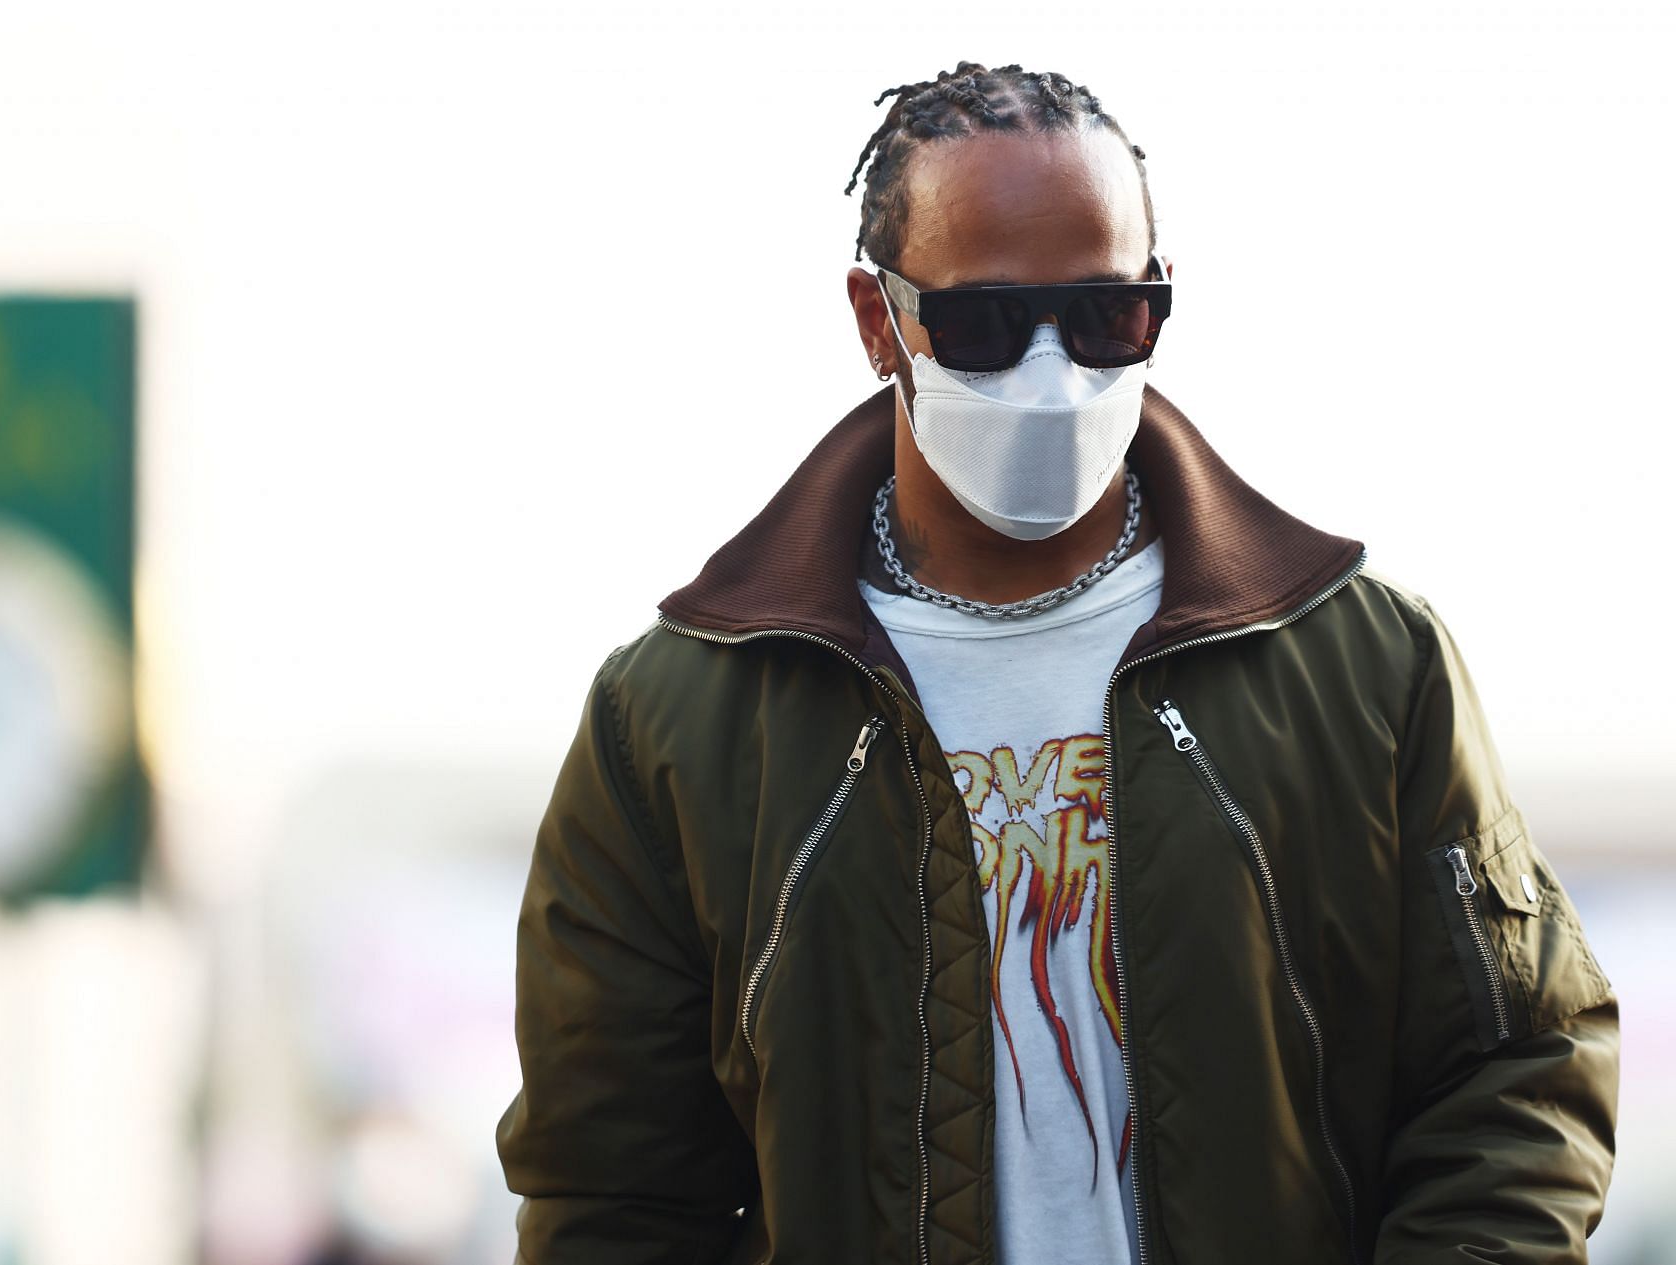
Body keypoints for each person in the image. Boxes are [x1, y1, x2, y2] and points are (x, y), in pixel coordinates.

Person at [494, 61, 1619, 1265]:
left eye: (1104, 315)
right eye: (980, 323)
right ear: (881, 321)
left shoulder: (1363, 664)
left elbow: (1517, 1072)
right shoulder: (676, 719)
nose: (1051, 373)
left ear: (1161, 301)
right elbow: (610, 1192)